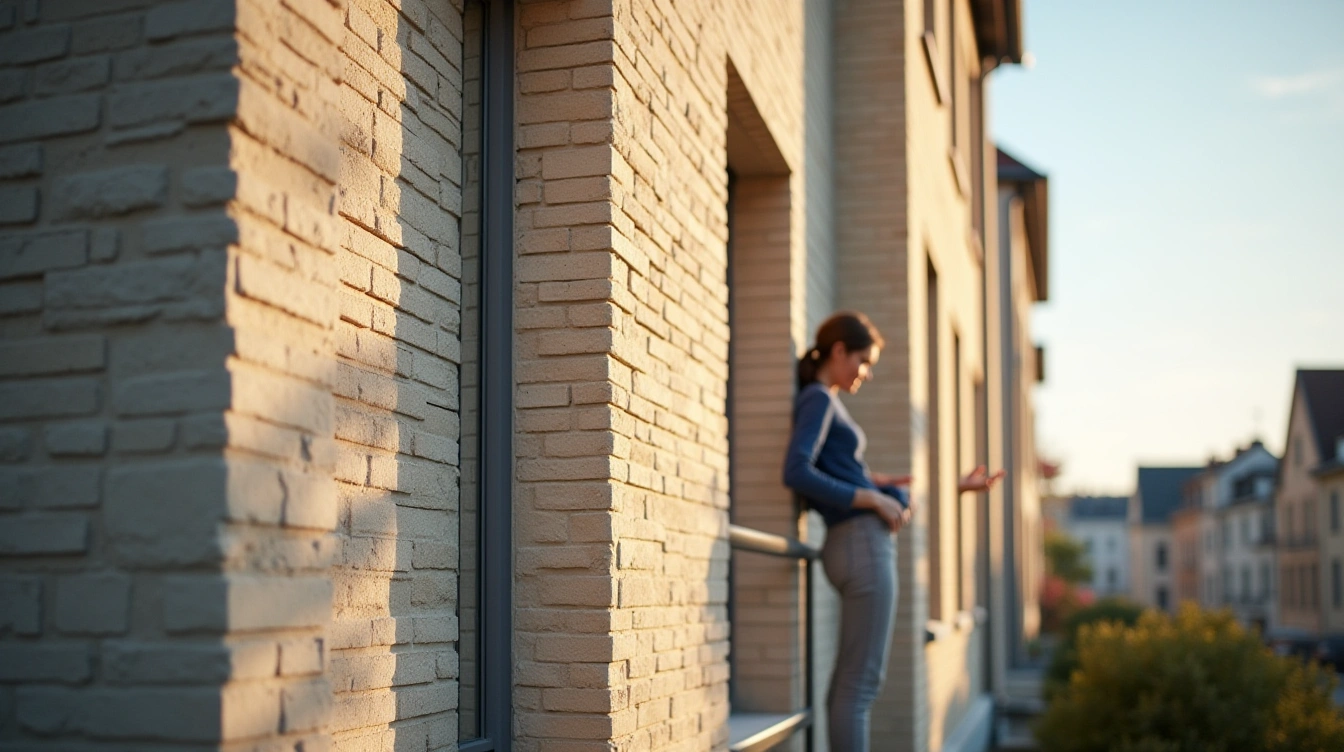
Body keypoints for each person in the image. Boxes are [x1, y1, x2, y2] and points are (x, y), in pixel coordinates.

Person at [782, 311, 1003, 752]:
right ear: (838, 350)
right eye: (863, 362)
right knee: (859, 688)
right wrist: (873, 499)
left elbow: (862, 482)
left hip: (855, 545)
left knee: (850, 687)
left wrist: (945, 487)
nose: (865, 374)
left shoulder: (823, 401)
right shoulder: (820, 399)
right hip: (861, 546)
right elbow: (796, 471)